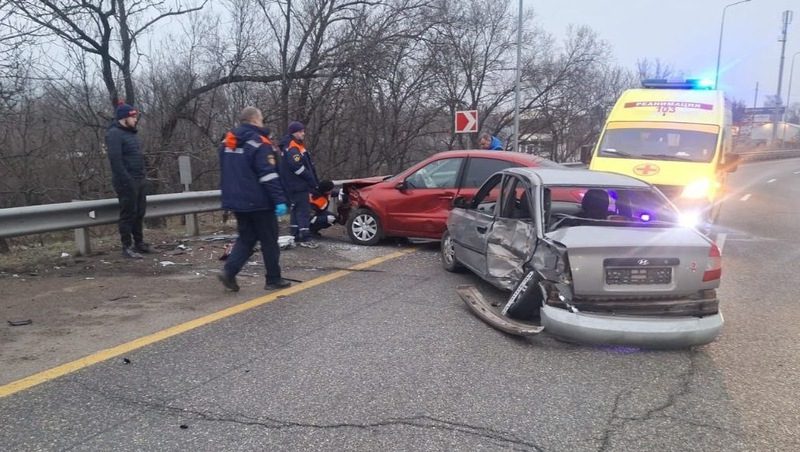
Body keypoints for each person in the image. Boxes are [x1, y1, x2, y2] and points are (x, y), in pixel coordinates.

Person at [218, 106, 291, 292]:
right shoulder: (260, 142)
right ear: (255, 120)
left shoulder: (227, 142)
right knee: (269, 240)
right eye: (261, 119)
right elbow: (267, 174)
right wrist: (279, 199)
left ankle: (229, 272)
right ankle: (273, 279)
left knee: (246, 238)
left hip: (237, 201)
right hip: (259, 201)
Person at [105, 102, 150, 259]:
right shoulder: (114, 134)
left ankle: (140, 243)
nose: (136, 119)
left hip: (139, 179)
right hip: (126, 181)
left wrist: (143, 176)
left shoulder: (131, 134)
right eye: (133, 116)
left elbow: (137, 157)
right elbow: (116, 161)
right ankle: (127, 246)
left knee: (139, 213)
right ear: (125, 117)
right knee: (128, 214)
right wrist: (127, 180)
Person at [279, 121, 320, 247]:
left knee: (296, 210)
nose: (303, 133)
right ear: (294, 132)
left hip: (292, 185)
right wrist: (310, 180)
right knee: (303, 210)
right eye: (301, 131)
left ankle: (295, 234)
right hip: (298, 184)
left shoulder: (293, 145)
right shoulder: (293, 146)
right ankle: (305, 237)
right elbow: (297, 166)